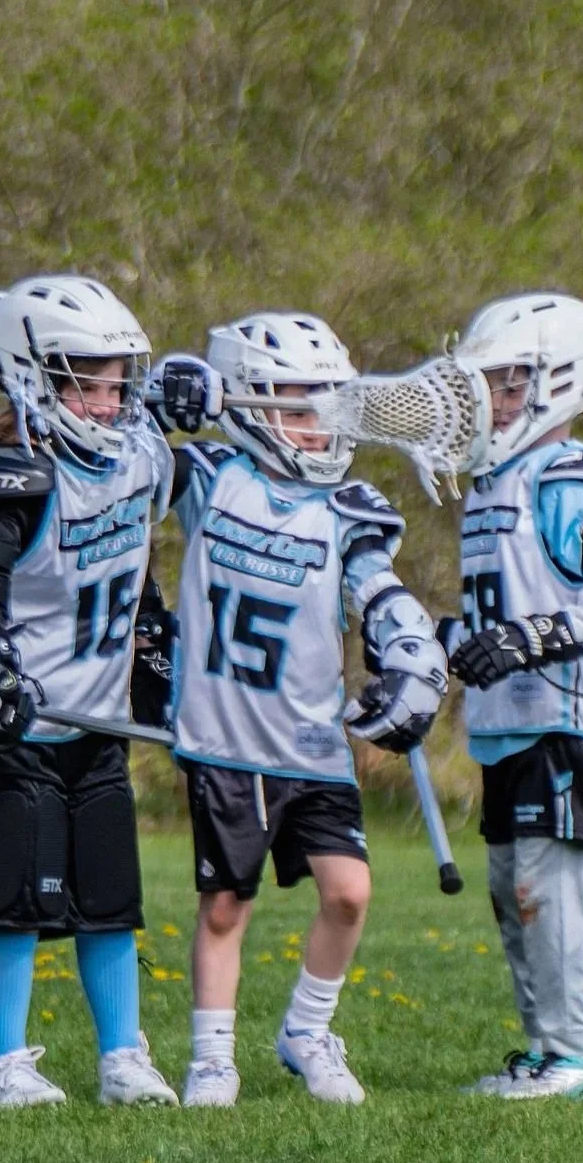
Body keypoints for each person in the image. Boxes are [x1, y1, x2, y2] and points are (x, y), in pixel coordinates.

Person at [155, 313, 447, 1106]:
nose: (317, 423)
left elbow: (377, 591)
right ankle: (212, 1056)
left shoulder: (349, 506)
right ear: (246, 405)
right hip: (228, 734)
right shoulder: (210, 475)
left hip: (313, 738)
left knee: (349, 891)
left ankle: (307, 1031)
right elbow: (126, 465)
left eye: (326, 404)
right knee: (226, 905)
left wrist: (413, 658)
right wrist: (164, 395)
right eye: (295, 404)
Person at [0, 274, 179, 1108]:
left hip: (96, 718)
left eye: (119, 374)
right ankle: (6, 1062)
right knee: (15, 902)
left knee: (110, 899)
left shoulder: (139, 457)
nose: (111, 395)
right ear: (33, 372)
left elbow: (137, 576)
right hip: (16, 722)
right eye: (89, 373)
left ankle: (123, 1057)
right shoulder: (3, 473)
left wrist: (158, 656)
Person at [444, 293, 583, 1100]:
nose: (489, 400)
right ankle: (542, 1047)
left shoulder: (572, 473)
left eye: (505, 382)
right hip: (507, 718)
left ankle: (578, 1055)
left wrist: (525, 641)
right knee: (507, 884)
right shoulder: (491, 482)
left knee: (543, 882)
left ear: (557, 382)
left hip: (561, 712)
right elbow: (503, 597)